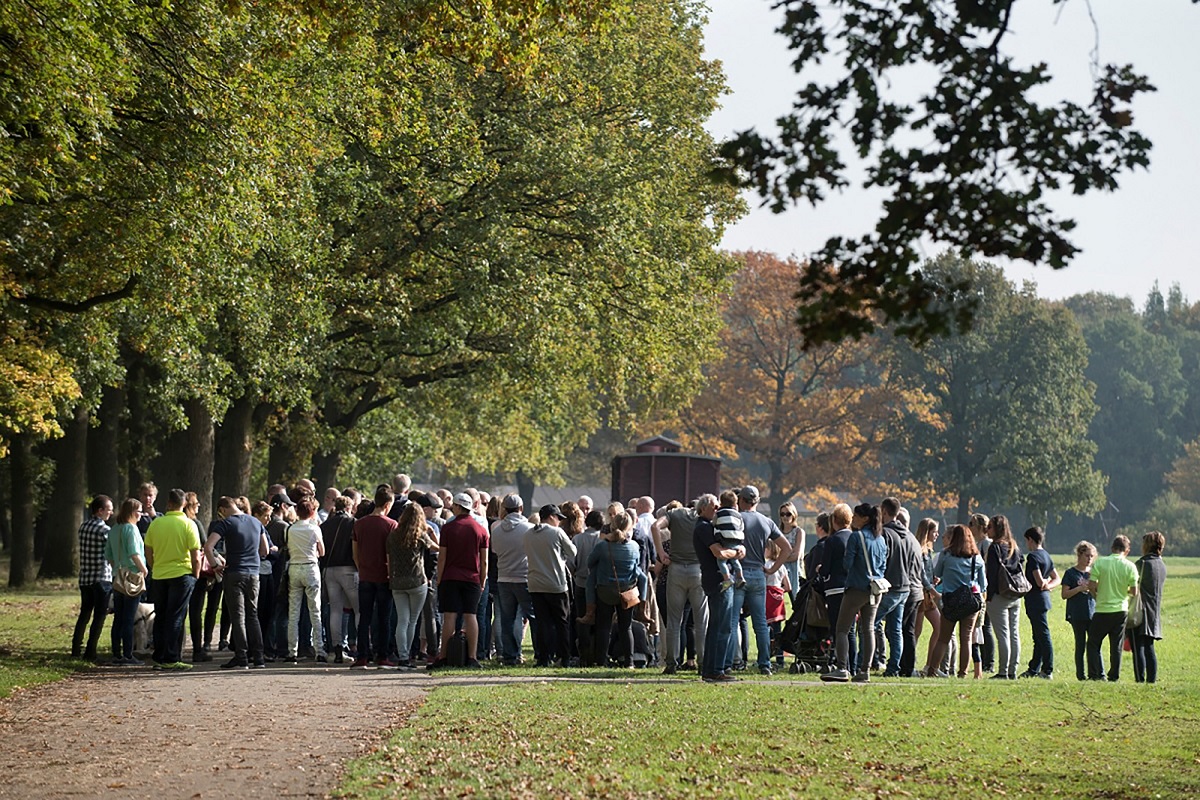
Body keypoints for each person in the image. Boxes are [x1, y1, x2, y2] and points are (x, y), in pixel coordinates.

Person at [728, 485, 791, 676]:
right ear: (757, 501)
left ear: (741, 500)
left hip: (738, 573)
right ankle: (765, 663)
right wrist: (772, 568)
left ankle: (731, 661)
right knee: (761, 623)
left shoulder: (736, 519)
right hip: (758, 573)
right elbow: (786, 549)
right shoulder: (767, 522)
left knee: (733, 621)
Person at [822, 504, 886, 683]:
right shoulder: (880, 538)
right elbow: (883, 565)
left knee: (842, 629)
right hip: (875, 588)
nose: (853, 519)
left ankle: (842, 667)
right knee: (868, 629)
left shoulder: (856, 537)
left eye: (856, 516)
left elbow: (847, 563)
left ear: (865, 518)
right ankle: (864, 670)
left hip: (856, 587)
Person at [205, 496, 270, 669]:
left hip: (234, 572)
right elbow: (264, 550)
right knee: (253, 615)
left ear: (223, 509)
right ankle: (258, 657)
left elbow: (208, 546)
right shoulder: (256, 523)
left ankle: (241, 657)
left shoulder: (226, 523)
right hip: (254, 573)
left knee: (238, 616)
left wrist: (214, 565)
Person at [427, 492, 489, 670]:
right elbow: (484, 560)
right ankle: (472, 657)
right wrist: (482, 580)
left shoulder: (448, 528)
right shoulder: (481, 530)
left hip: (450, 576)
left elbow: (442, 557)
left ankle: (444, 655)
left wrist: (439, 578)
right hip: (472, 578)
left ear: (457, 506)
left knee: (450, 617)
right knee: (471, 616)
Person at [581, 511, 647, 670]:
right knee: (626, 627)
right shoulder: (634, 546)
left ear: (612, 525)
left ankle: (601, 659)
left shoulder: (603, 546)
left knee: (603, 627)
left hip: (605, 590)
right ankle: (629, 661)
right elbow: (636, 567)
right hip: (627, 592)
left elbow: (590, 563)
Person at [144, 488, 202, 670]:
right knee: (176, 616)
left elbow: (148, 552)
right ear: (184, 504)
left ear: (168, 503)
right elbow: (195, 555)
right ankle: (171, 657)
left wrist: (155, 567)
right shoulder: (188, 524)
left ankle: (159, 656)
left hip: (160, 574)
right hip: (182, 574)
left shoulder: (156, 523)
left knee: (160, 616)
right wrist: (196, 574)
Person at [653, 500, 708, 675]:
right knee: (700, 621)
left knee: (674, 621)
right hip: (698, 569)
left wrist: (661, 553)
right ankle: (702, 662)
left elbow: (655, 527)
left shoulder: (674, 515)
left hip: (676, 570)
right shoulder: (703, 517)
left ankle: (671, 663)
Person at [927, 524, 987, 679]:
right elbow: (983, 584)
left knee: (943, 639)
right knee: (966, 638)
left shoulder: (946, 555)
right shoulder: (977, 557)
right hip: (970, 601)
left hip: (950, 600)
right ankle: (963, 673)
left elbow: (938, 573)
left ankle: (932, 670)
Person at [525, 504, 578, 668]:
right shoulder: (557, 533)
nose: (560, 522)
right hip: (556, 584)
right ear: (552, 517)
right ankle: (564, 657)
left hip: (535, 583)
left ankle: (543, 658)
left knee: (543, 623)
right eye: (558, 518)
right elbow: (573, 552)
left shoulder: (528, 534)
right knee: (562, 622)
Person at [353, 485, 398, 668]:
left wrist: (362, 567)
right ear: (387, 504)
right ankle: (382, 656)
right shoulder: (391, 525)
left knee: (364, 617)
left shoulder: (359, 524)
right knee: (384, 617)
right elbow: (391, 553)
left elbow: (355, 553)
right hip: (384, 575)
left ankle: (362, 656)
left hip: (365, 574)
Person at [388, 502, 437, 669]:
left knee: (402, 620)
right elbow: (436, 548)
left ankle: (402, 657)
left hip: (397, 581)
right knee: (413, 621)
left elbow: (389, 559)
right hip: (417, 580)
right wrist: (432, 534)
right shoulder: (420, 534)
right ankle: (407, 656)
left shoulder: (393, 535)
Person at [491, 493, 536, 666]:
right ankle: (535, 652)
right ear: (521, 508)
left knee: (507, 618)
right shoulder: (528, 528)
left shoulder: (496, 530)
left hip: (504, 577)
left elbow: (495, 551)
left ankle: (510, 655)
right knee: (530, 617)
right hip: (524, 577)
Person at [1086, 534, 1139, 681]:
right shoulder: (1130, 566)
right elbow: (1134, 591)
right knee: (1116, 645)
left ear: (1112, 548)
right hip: (1120, 610)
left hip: (1102, 609)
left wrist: (1097, 594)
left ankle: (1094, 674)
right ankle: (1114, 675)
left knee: (1093, 643)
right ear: (1127, 550)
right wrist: (1123, 590)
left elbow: (1091, 585)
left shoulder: (1101, 563)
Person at [105, 498, 148, 665]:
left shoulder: (114, 529)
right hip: (132, 576)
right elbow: (134, 553)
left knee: (119, 617)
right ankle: (128, 654)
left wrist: (117, 568)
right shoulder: (131, 529)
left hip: (117, 576)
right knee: (130, 617)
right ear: (131, 512)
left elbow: (108, 555)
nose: (141, 515)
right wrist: (143, 569)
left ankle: (116, 653)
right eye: (139, 511)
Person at [285, 492, 326, 663]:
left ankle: (291, 651)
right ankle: (319, 649)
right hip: (310, 568)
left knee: (293, 612)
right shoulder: (314, 528)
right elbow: (322, 551)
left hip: (294, 567)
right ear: (311, 512)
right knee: (315, 611)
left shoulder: (291, 529)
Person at [73, 495, 113, 662]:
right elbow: (111, 553)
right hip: (101, 577)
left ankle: (76, 648)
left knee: (84, 614)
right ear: (100, 510)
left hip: (85, 578)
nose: (111, 512)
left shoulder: (83, 526)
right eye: (109, 509)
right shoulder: (104, 531)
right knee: (99, 616)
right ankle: (90, 651)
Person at [321, 495, 359, 664]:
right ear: (350, 507)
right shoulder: (353, 523)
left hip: (329, 569)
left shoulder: (325, 525)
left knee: (335, 610)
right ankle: (361, 646)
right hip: (348, 568)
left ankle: (336, 648)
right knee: (358, 610)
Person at [984, 514, 1022, 680]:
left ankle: (1002, 671)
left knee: (1003, 635)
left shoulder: (995, 548)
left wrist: (989, 596)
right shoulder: (1014, 546)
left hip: (999, 595)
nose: (987, 530)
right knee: (1014, 634)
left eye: (989, 527)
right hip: (1015, 594)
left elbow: (991, 575)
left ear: (997, 528)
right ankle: (1012, 670)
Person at [819, 504, 856, 675]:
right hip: (852, 588)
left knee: (838, 629)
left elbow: (826, 568)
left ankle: (842, 664)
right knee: (851, 631)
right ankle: (853, 666)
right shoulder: (856, 538)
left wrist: (820, 570)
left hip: (835, 589)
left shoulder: (832, 541)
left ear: (834, 521)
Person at [184, 491, 220, 663]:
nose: (198, 506)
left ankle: (175, 648)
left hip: (174, 571)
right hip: (194, 572)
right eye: (196, 503)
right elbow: (205, 547)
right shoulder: (194, 524)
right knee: (195, 611)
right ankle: (197, 649)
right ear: (190, 505)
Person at [1020, 526, 1060, 679]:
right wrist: (1048, 585)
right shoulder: (1046, 555)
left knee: (1042, 635)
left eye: (1026, 541)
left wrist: (1043, 584)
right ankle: (1034, 668)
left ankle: (1047, 669)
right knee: (1038, 635)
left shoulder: (1033, 557)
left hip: (1035, 600)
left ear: (1030, 539)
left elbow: (1037, 580)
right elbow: (1057, 578)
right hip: (1044, 600)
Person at [1130, 531, 1166, 684]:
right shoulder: (1162, 564)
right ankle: (1151, 681)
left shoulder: (1142, 563)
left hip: (1139, 609)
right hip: (1154, 611)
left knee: (1138, 646)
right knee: (1149, 647)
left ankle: (1140, 679)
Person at [1061, 540, 1097, 681]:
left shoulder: (1093, 573)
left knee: (1093, 645)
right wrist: (1079, 589)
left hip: (1092, 613)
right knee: (1080, 644)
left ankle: (1095, 673)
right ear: (1079, 555)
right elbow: (1064, 594)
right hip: (1077, 613)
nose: (1089, 559)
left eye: (1092, 556)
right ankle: (1081, 675)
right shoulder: (1071, 573)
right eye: (1087, 556)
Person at [911, 518, 942, 678]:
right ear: (926, 532)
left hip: (929, 593)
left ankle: (930, 666)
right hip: (922, 593)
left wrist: (935, 579)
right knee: (916, 631)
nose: (937, 534)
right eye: (934, 531)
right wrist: (932, 589)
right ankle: (909, 664)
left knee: (939, 627)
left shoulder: (929, 551)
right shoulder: (918, 549)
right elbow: (921, 573)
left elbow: (928, 572)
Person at [968, 513, 994, 672]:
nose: (969, 526)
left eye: (971, 523)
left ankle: (988, 664)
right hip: (979, 590)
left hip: (985, 591)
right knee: (981, 627)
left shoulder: (986, 544)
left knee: (985, 627)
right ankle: (983, 662)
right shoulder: (980, 543)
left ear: (979, 527)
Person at [712, 490, 745, 590]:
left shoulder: (719, 513)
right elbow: (742, 526)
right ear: (735, 503)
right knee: (735, 560)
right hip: (737, 539)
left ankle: (727, 579)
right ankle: (740, 577)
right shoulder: (738, 515)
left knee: (721, 561)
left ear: (721, 503)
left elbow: (714, 523)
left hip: (725, 538)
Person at [777, 502, 805, 600]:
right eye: (782, 514)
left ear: (793, 515)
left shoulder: (798, 532)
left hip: (794, 572)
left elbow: (796, 555)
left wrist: (780, 557)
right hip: (779, 572)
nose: (785, 517)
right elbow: (772, 553)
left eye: (788, 514)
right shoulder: (777, 532)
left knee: (796, 602)